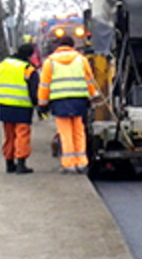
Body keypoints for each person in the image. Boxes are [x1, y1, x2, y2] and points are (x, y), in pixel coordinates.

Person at [38, 35, 98, 173]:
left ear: (58, 46)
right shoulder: (81, 59)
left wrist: (42, 104)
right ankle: (82, 163)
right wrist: (93, 96)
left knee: (65, 133)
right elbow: (89, 80)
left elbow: (44, 85)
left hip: (60, 101)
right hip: (79, 101)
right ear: (73, 46)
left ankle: (69, 164)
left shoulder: (50, 62)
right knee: (79, 131)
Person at [0, 44, 39, 174]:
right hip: (23, 107)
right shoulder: (28, 69)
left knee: (9, 135)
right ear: (30, 55)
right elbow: (34, 91)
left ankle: (9, 163)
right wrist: (37, 105)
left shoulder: (1, 66)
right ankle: (21, 163)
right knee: (22, 135)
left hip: (5, 106)